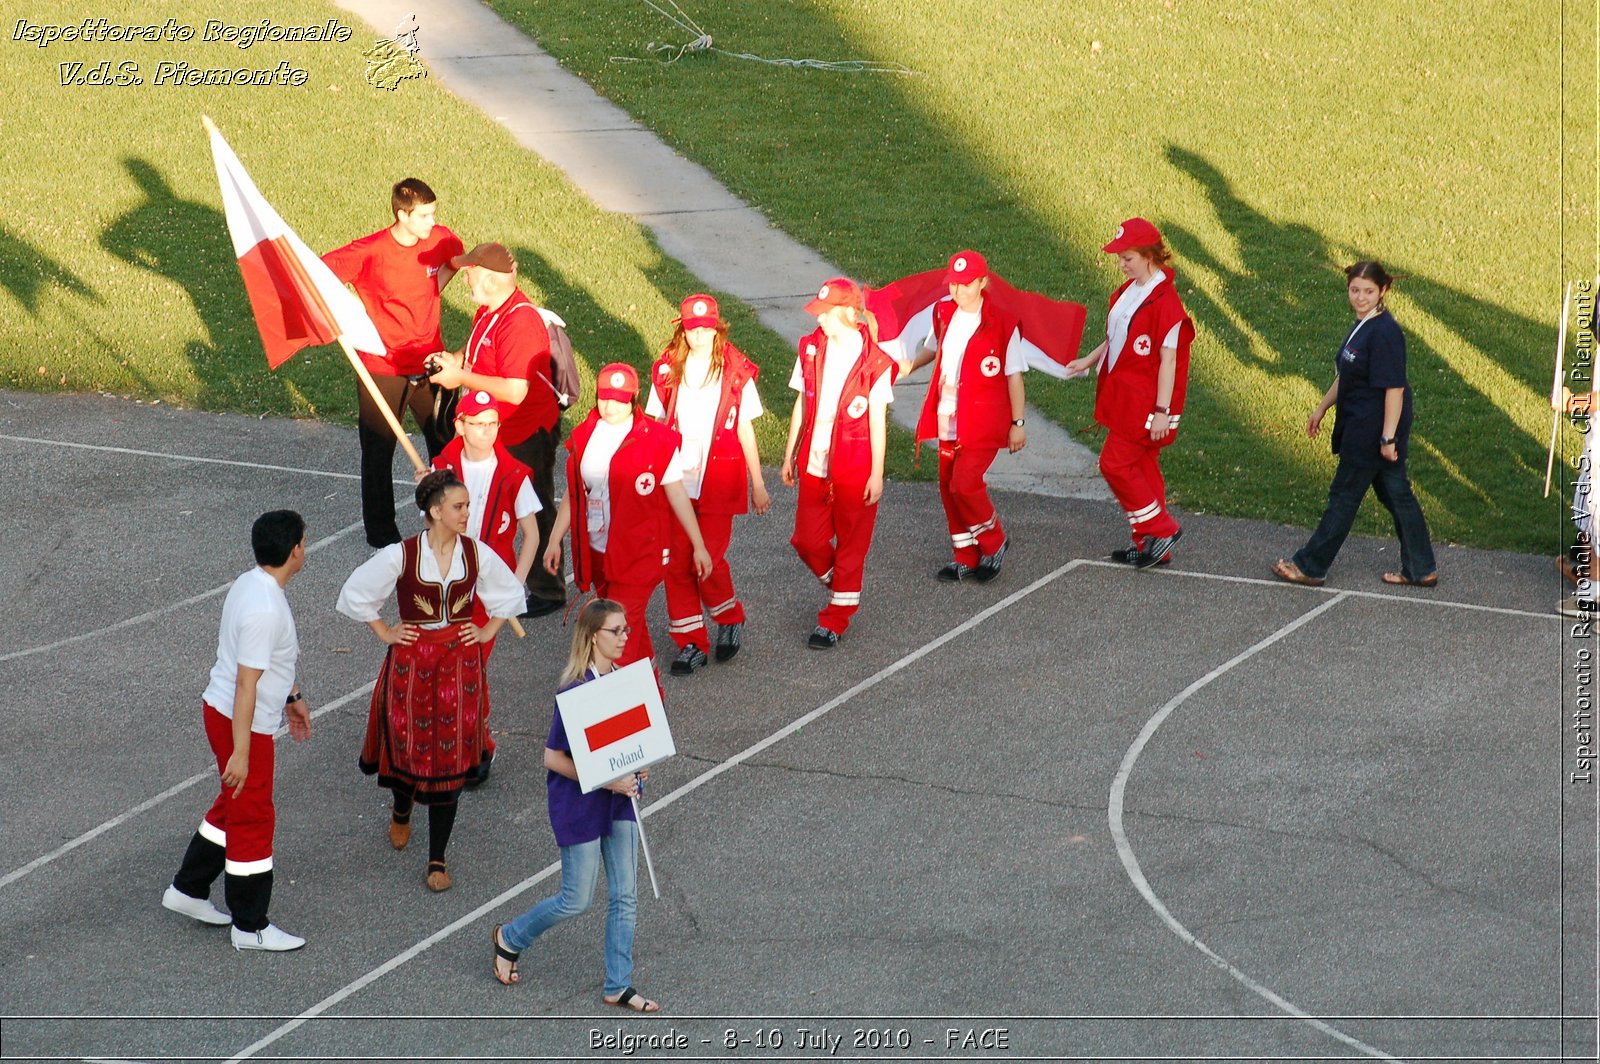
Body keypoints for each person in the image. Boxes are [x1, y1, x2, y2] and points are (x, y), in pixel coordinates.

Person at [336, 470, 525, 892]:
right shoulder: (401, 555)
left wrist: (487, 631)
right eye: (458, 507)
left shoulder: (475, 554)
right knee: (408, 744)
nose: (466, 514)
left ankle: (437, 857)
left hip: (460, 666)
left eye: (467, 507)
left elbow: (510, 595)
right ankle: (402, 808)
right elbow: (356, 593)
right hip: (412, 664)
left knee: (453, 756)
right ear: (434, 511)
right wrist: (385, 632)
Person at [492, 599, 659, 1012]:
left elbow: (630, 745)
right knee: (575, 898)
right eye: (615, 631)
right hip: (581, 803)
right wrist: (610, 778)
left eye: (625, 629)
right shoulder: (575, 691)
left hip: (619, 801)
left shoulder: (624, 681)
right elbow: (552, 758)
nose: (624, 638)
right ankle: (510, 938)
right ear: (592, 636)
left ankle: (618, 984)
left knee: (625, 895)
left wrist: (639, 766)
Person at [162, 510, 311, 952]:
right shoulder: (266, 608)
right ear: (295, 550)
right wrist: (242, 753)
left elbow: (270, 664)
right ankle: (250, 925)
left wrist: (292, 695)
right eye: (305, 541)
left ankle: (188, 889)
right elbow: (247, 684)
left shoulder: (252, 583)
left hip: (226, 713)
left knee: (234, 804)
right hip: (241, 723)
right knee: (253, 818)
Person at [1272, 261, 1438, 589]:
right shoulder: (1363, 325)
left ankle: (1311, 565)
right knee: (1397, 494)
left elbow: (1395, 389)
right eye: (1355, 290)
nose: (1360, 297)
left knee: (1344, 496)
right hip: (1366, 426)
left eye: (1368, 291)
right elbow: (1346, 374)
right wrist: (1321, 408)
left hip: (1372, 430)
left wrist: (1388, 438)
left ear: (1383, 291)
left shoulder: (1385, 332)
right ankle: (1421, 568)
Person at [544, 363, 713, 674]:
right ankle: (652, 696)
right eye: (605, 397)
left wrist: (698, 546)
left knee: (616, 635)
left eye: (620, 399)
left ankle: (617, 709)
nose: (611, 406)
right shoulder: (585, 436)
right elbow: (574, 494)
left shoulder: (657, 441)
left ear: (634, 400)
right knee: (629, 626)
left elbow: (677, 494)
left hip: (639, 555)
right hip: (599, 552)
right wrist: (555, 540)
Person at [427, 242, 566, 619]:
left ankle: (548, 588)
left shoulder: (519, 321)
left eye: (469, 271)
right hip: (499, 427)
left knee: (532, 507)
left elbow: (515, 389)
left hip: (524, 431)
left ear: (488, 278)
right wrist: (453, 361)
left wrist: (461, 377)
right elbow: (478, 353)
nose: (465, 276)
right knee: (497, 502)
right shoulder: (490, 311)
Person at [324, 179, 464, 548]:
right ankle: (383, 536)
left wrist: (433, 291)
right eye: (423, 216)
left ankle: (454, 519)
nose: (431, 222)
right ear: (401, 214)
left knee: (447, 444)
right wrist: (351, 318)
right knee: (378, 450)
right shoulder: (370, 251)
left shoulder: (440, 239)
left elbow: (453, 260)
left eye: (433, 213)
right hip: (383, 366)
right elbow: (319, 276)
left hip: (432, 361)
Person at [644, 294, 771, 674]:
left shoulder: (736, 371)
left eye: (705, 328)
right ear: (682, 328)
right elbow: (653, 426)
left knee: (708, 560)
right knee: (676, 564)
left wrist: (758, 483)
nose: (698, 335)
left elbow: (745, 428)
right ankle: (691, 642)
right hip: (678, 482)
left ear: (717, 328)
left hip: (719, 480)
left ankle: (729, 616)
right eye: (691, 327)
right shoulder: (666, 369)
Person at [1065, 218, 1194, 569]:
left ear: (1150, 256)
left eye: (1128, 258)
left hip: (1146, 404)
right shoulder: (1129, 292)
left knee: (1114, 464)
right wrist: (1088, 361)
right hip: (1126, 396)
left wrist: (1163, 411)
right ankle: (1151, 544)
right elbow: (1114, 337)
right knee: (1143, 466)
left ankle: (1159, 529)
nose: (1121, 264)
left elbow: (1169, 361)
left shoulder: (1166, 303)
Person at [430, 388, 542, 783]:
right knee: (449, 667)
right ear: (459, 425)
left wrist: (515, 586)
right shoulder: (442, 467)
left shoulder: (513, 473)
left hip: (488, 590)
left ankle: (478, 747)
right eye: (478, 424)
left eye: (493, 423)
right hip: (446, 586)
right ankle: (456, 740)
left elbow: (531, 534)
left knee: (471, 667)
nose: (488, 431)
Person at [781, 278, 897, 648]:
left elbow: (877, 419)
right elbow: (802, 402)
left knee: (852, 540)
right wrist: (790, 453)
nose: (820, 322)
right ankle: (843, 584)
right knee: (806, 540)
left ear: (848, 312)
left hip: (855, 462)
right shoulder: (811, 349)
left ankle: (835, 617)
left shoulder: (874, 362)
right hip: (814, 458)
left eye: (826, 315)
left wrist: (876, 473)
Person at [899, 251, 1027, 583]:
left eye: (966, 284)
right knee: (947, 486)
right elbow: (933, 348)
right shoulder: (944, 313)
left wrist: (1018, 423)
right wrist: (908, 366)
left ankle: (994, 540)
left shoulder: (1002, 323)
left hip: (983, 421)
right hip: (948, 414)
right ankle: (965, 555)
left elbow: (1014, 376)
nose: (958, 291)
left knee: (965, 483)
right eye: (954, 284)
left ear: (983, 283)